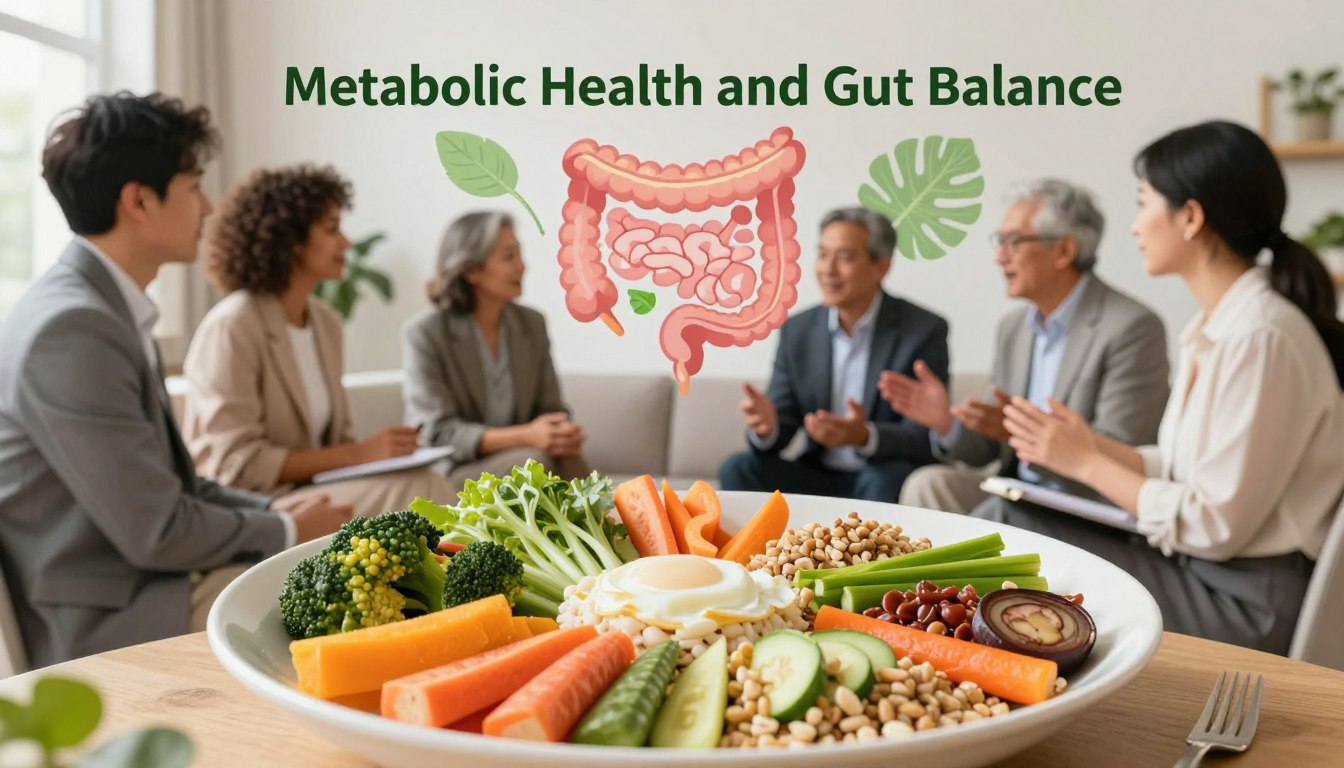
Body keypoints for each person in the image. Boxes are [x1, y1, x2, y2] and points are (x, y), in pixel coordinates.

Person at [0, 93, 351, 667]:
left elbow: (175, 487)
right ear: (138, 200)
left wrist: (279, 515)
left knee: (346, 558)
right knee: (345, 585)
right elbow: (157, 529)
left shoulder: (100, 308)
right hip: (114, 613)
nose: (209, 208)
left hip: (150, 576)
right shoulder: (73, 328)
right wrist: (284, 524)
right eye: (193, 187)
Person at [979, 121, 1344, 654]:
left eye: (1144, 203)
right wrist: (1086, 447)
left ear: (1191, 218)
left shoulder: (1261, 336)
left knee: (1005, 527)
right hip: (1210, 576)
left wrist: (1086, 463)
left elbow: (1214, 523)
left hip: (1245, 603)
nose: (1134, 226)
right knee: (1010, 521)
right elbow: (1190, 469)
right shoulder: (1221, 327)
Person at [180, 164, 456, 517]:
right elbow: (235, 465)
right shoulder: (234, 324)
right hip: (257, 502)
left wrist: (381, 455)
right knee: (425, 489)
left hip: (314, 489)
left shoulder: (325, 322)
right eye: (331, 229)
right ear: (290, 240)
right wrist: (361, 454)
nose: (346, 242)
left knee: (422, 480)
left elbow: (336, 443)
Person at [886, 179, 1170, 514]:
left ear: (1064, 251)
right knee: (929, 484)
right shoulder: (1014, 329)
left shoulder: (1130, 326)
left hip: (1084, 503)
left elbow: (1122, 453)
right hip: (1019, 490)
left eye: (1014, 241)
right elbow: (990, 447)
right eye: (1000, 241)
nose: (1000, 257)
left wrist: (1024, 435)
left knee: (998, 513)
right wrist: (947, 423)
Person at [718, 207, 950, 502]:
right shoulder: (798, 330)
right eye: (823, 254)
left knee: (886, 479)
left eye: (845, 257)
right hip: (816, 473)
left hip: (879, 475)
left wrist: (863, 436)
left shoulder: (922, 330)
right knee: (738, 468)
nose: (828, 269)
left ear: (881, 267)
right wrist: (769, 428)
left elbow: (925, 437)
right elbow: (783, 425)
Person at [403, 211, 589, 489]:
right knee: (534, 462)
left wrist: (560, 432)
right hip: (457, 467)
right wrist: (525, 436)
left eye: (519, 254)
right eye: (508, 256)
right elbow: (437, 432)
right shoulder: (425, 333)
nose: (522, 266)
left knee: (567, 460)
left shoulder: (532, 324)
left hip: (526, 458)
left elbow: (551, 408)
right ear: (470, 270)